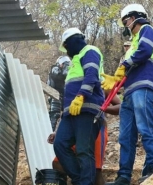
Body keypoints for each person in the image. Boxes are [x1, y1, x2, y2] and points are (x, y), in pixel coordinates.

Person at [101, 4, 153, 185]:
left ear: (135, 16)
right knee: (126, 136)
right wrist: (116, 78)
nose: (125, 25)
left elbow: (144, 51)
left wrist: (124, 64)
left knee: (145, 126)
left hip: (144, 86)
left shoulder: (147, 30)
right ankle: (124, 176)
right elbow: (131, 62)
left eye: (126, 20)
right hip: (130, 92)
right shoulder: (134, 40)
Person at [53, 27, 105, 185]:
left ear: (74, 41)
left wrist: (81, 96)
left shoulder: (90, 51)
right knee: (60, 144)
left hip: (87, 110)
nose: (67, 50)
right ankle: (79, 180)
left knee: (84, 150)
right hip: (71, 113)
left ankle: (84, 183)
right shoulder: (74, 63)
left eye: (67, 46)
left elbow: (91, 76)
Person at [48, 92, 121, 185]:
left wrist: (103, 108)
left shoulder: (102, 82)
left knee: (95, 172)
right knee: (58, 163)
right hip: (72, 126)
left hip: (95, 126)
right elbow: (66, 110)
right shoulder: (74, 82)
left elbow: (120, 105)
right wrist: (57, 131)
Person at [47, 56, 70, 131]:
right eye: (64, 63)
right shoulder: (55, 69)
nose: (65, 65)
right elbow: (61, 76)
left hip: (65, 96)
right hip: (55, 95)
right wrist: (66, 67)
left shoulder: (68, 71)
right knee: (54, 115)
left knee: (68, 115)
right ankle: (49, 133)